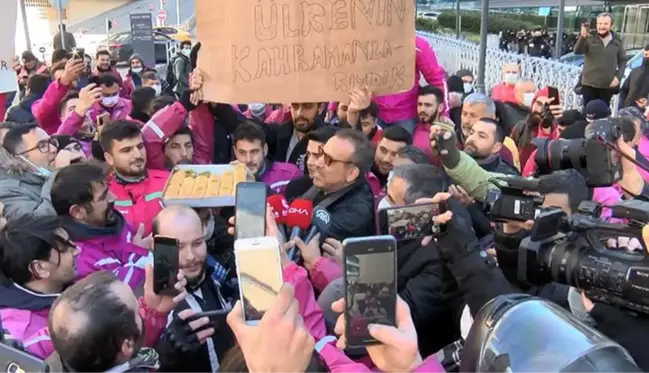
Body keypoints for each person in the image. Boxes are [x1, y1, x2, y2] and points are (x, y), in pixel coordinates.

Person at [47, 270, 189, 373]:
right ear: (126, 346)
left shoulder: (62, 358)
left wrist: (155, 312)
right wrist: (166, 359)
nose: (142, 307)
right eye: (138, 310)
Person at [152, 205, 237, 372]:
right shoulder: (150, 302)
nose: (191, 256)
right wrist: (166, 357)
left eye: (197, 243)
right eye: (179, 247)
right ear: (158, 247)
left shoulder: (216, 275)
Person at [0, 214, 79, 359]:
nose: (76, 250)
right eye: (66, 248)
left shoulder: (64, 285)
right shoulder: (23, 336)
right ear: (39, 268)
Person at [100, 120, 169, 235]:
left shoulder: (168, 181)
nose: (137, 155)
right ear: (109, 158)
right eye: (126, 150)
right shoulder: (102, 193)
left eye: (140, 146)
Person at [307, 129, 376, 240]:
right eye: (322, 153)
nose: (318, 163)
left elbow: (307, 237)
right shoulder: (327, 183)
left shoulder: (355, 215)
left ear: (351, 173)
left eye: (328, 159)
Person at [372, 35, 446, 134]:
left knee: (404, 149)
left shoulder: (417, 45)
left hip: (405, 116)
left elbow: (436, 79)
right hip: (373, 112)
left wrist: (444, 112)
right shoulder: (367, 42)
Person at [0, 123, 75, 219]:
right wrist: (60, 176)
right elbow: (37, 222)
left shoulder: (47, 173)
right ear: (19, 158)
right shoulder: (7, 190)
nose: (54, 149)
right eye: (42, 146)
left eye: (51, 142)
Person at [232, 120, 302, 194]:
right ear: (235, 152)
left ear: (265, 150)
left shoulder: (290, 175)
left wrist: (254, 186)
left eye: (254, 152)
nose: (248, 159)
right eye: (242, 153)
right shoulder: (225, 179)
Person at [574, 12, 626, 106]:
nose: (602, 26)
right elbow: (577, 51)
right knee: (588, 114)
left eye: (605, 24)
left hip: (606, 86)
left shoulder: (617, 42)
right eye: (600, 23)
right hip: (589, 85)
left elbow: (622, 60)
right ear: (597, 24)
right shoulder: (589, 38)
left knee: (603, 115)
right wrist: (582, 37)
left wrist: (618, 77)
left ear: (611, 25)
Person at [412, 85, 444, 162]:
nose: (422, 109)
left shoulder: (446, 135)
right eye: (420, 104)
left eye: (428, 105)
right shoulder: (411, 129)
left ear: (440, 108)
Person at [619, 44, 649, 110]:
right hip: (628, 110)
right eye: (644, 54)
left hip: (644, 115)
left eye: (647, 55)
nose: (645, 57)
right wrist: (621, 104)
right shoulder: (635, 71)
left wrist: (647, 104)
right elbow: (624, 89)